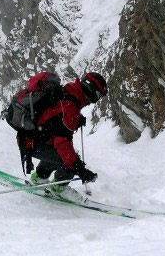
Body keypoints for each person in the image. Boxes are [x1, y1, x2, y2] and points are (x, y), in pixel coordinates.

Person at [27, 72, 108, 202]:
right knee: (68, 159)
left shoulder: (71, 91)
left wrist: (75, 120)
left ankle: (39, 178)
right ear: (92, 90)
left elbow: (55, 119)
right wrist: (80, 169)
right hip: (33, 143)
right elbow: (62, 143)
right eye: (98, 96)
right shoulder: (70, 106)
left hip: (32, 139)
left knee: (61, 154)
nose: (95, 100)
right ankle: (59, 189)